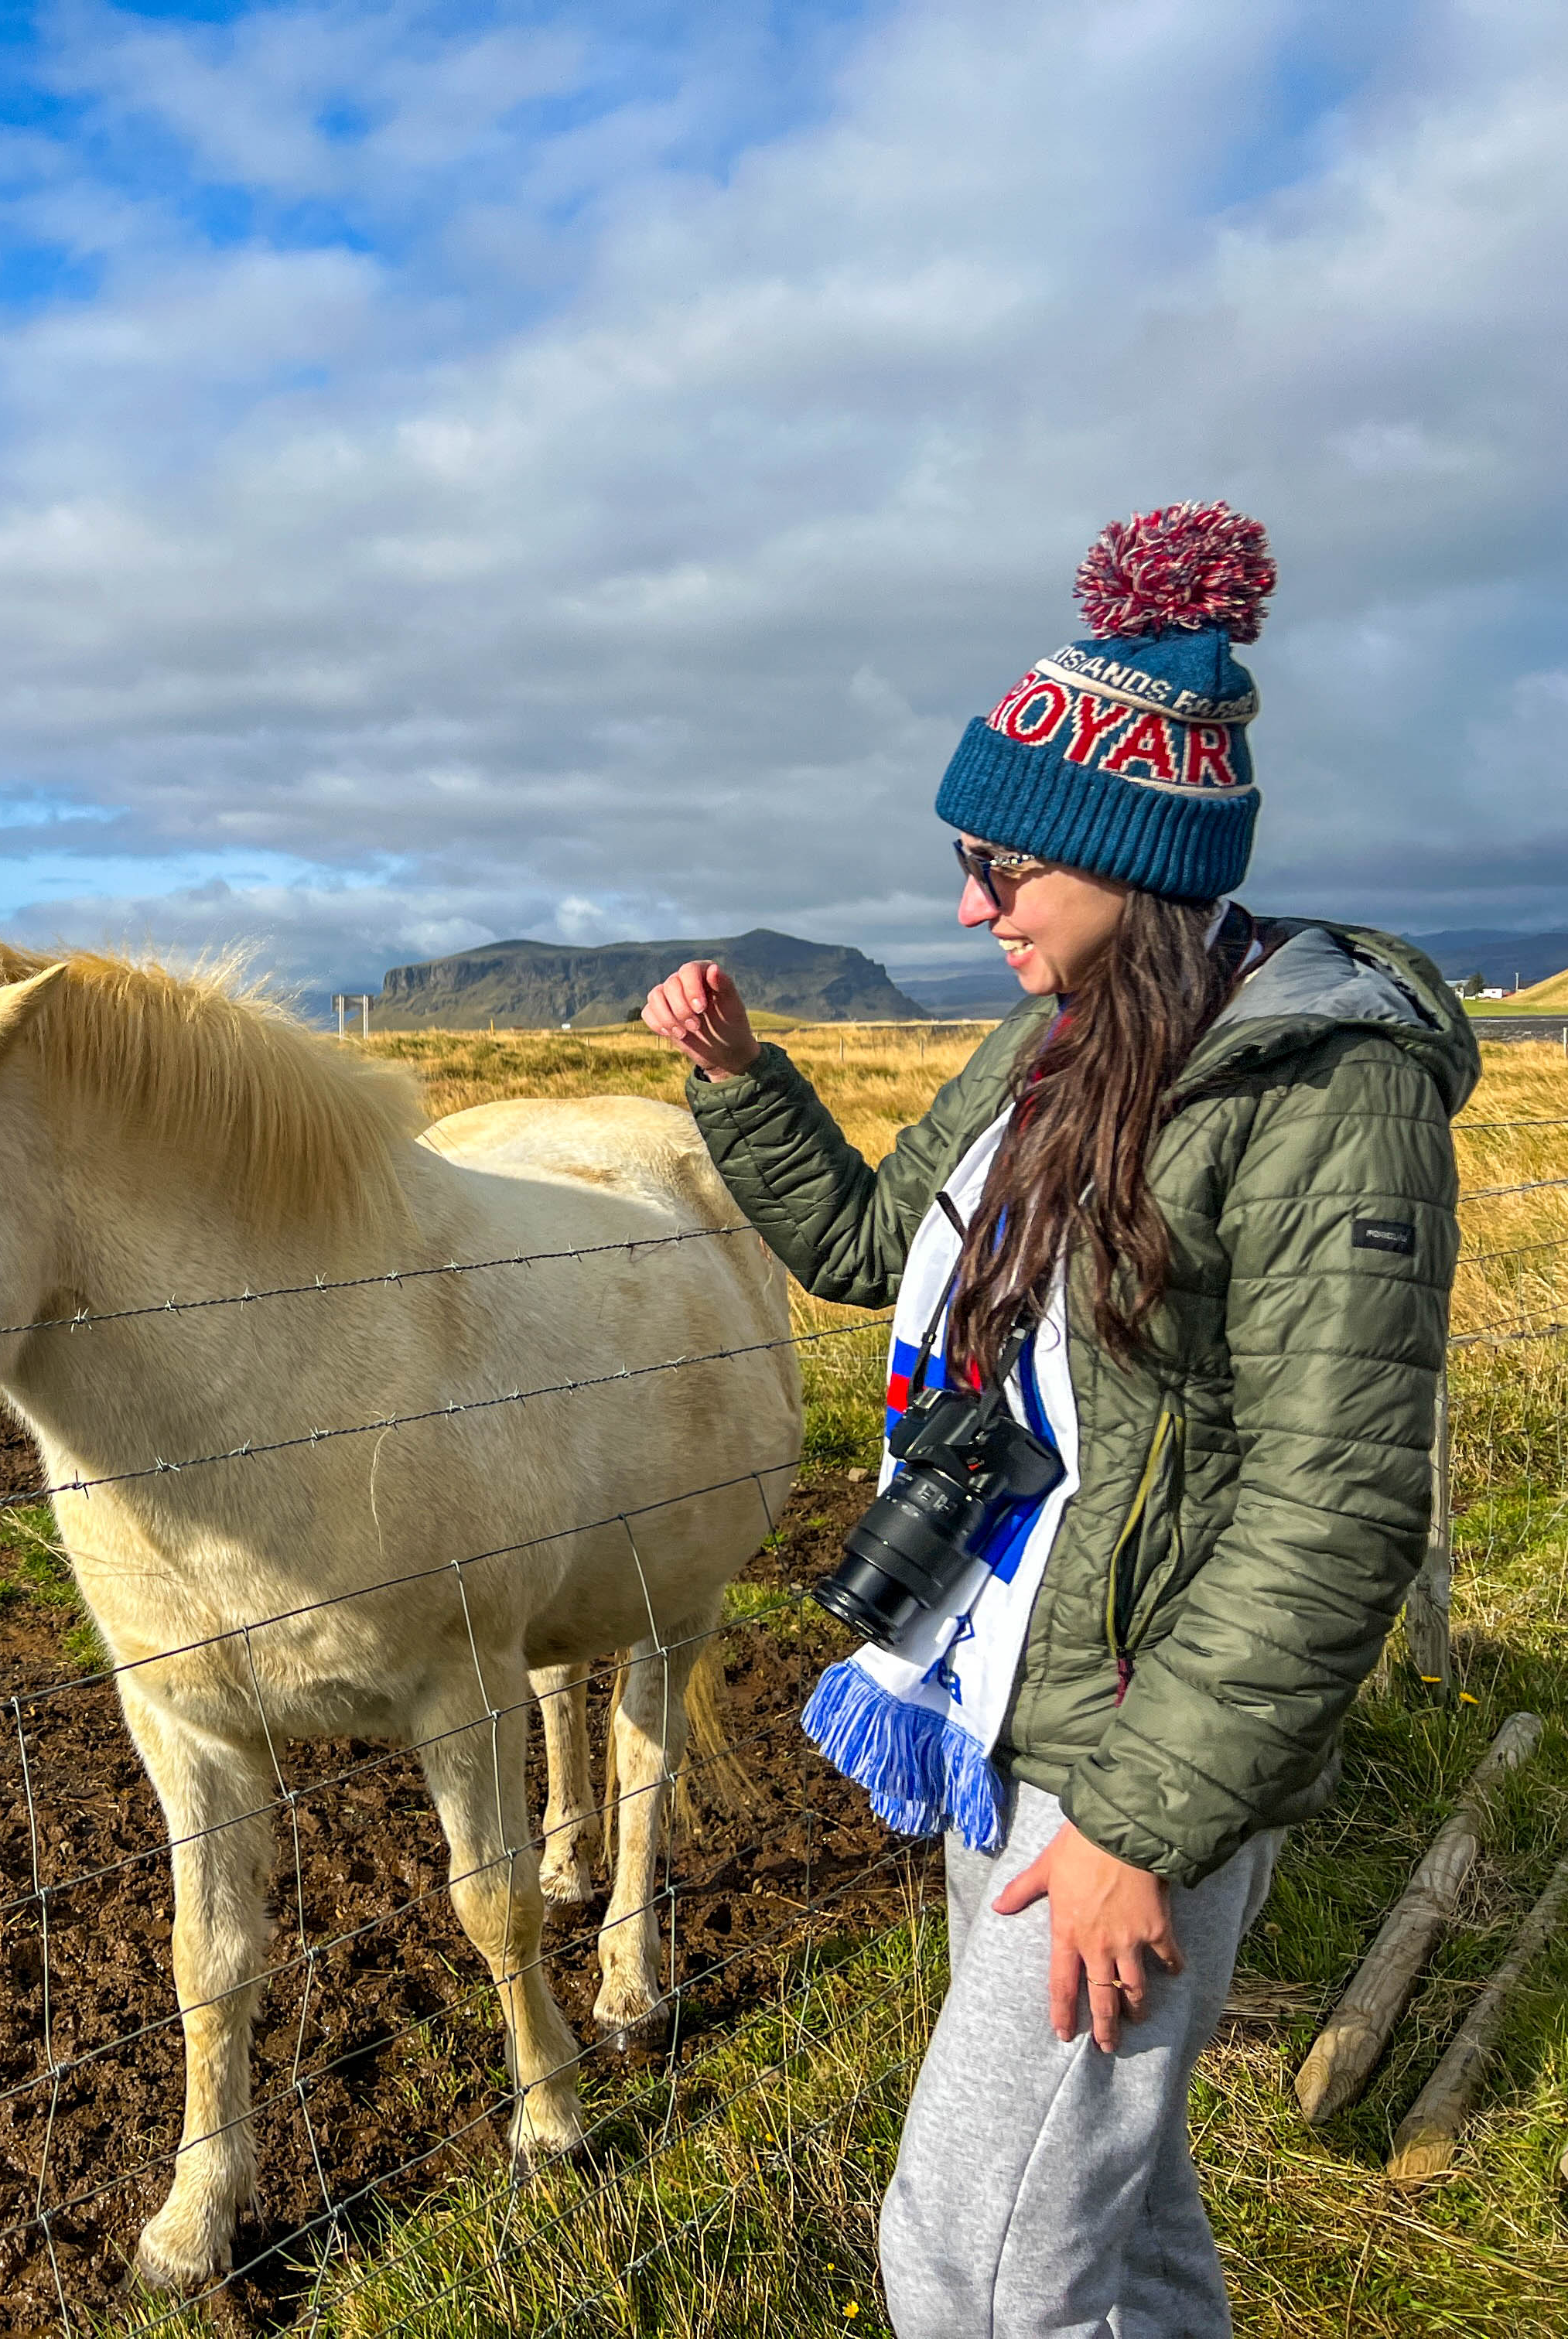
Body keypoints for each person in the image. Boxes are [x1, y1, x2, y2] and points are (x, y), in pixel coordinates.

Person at [641, 503, 1476, 2339]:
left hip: (1128, 1750)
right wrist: (743, 1086)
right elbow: (874, 1249)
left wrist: (1140, 1824)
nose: (968, 904)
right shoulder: (1048, 1046)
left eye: (998, 862)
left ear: (1127, 852)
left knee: (971, 2258)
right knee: (1112, 2214)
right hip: (995, 1694)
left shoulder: (1328, 1090)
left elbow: (1333, 1514)